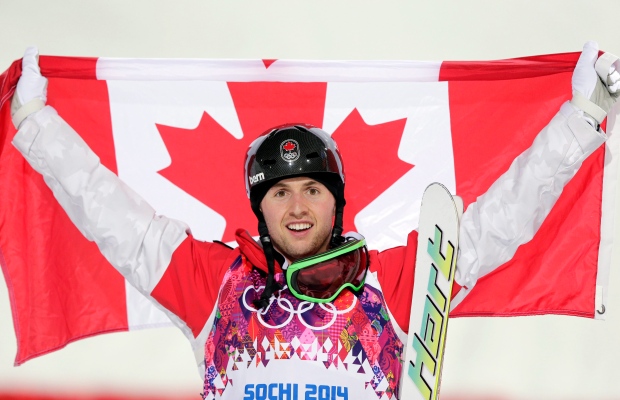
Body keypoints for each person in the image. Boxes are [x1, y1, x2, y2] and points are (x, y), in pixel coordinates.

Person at [8, 42, 618, 400]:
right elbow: (107, 212)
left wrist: (582, 119)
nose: (297, 207)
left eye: (312, 190)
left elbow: (499, 223)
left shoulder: (396, 284)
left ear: (337, 202)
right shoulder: (208, 283)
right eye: (278, 193)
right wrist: (34, 123)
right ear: (259, 208)